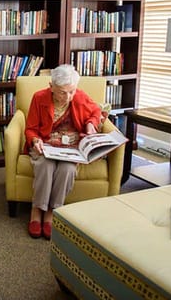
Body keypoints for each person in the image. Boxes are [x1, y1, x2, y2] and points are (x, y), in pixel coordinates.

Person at [24, 64, 101, 240]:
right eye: (62, 92)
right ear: (51, 86)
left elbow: (96, 111)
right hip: (45, 145)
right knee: (45, 165)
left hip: (70, 148)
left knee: (67, 170)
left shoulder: (79, 97)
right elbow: (30, 129)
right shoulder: (39, 98)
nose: (68, 97)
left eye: (71, 91)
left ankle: (52, 210)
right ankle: (37, 209)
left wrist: (90, 125)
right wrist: (35, 141)